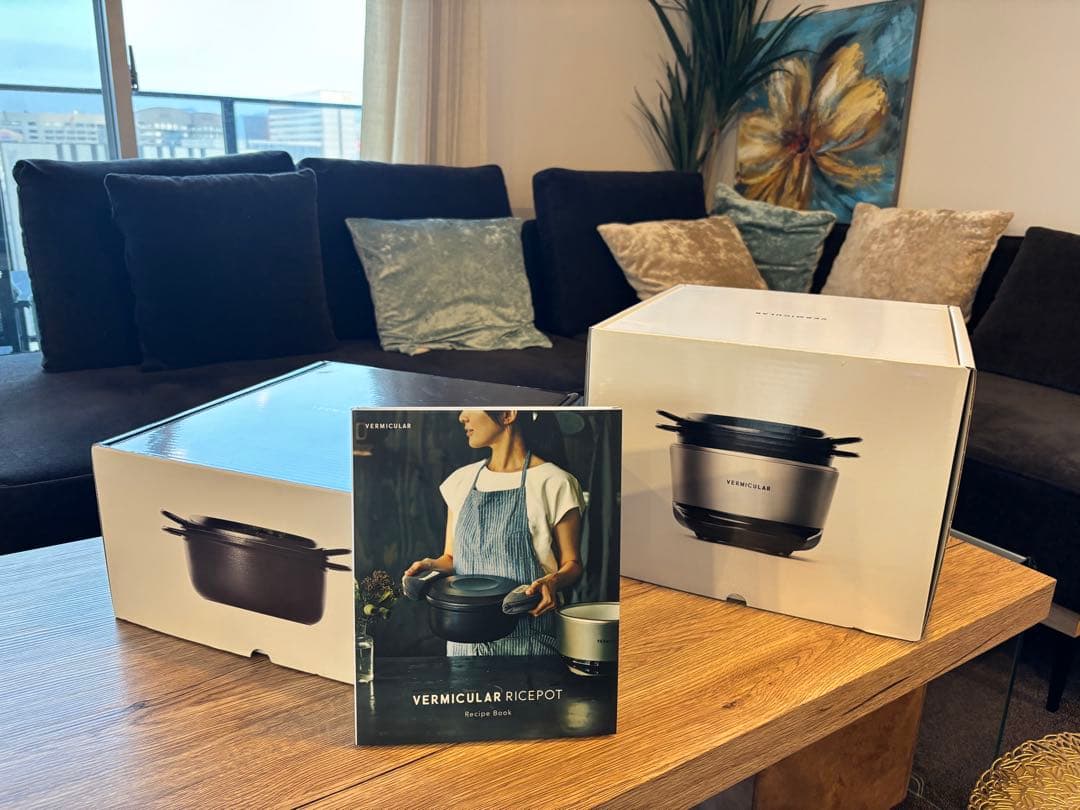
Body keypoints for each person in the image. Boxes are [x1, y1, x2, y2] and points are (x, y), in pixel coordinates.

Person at [405, 410, 584, 656]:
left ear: (508, 414)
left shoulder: (555, 482)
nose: (462, 417)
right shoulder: (461, 481)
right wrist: (430, 565)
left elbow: (573, 564)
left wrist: (552, 581)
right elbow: (452, 558)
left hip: (529, 641)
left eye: (470, 408)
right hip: (465, 643)